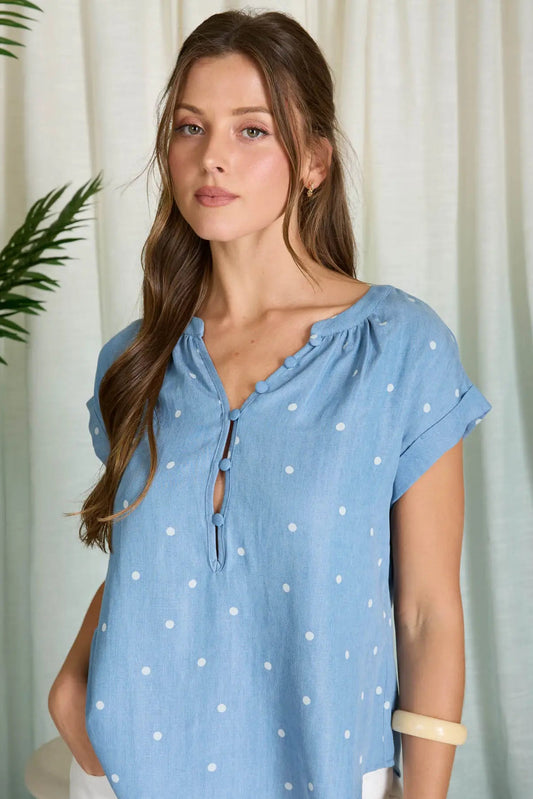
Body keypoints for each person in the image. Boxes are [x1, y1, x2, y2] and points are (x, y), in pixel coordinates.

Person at [48, 9, 492, 799]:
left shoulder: (396, 346)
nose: (211, 157)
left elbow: (426, 612)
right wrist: (70, 682)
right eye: (191, 126)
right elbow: (153, 559)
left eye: (251, 131)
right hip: (124, 776)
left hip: (325, 772)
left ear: (314, 159)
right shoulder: (134, 358)